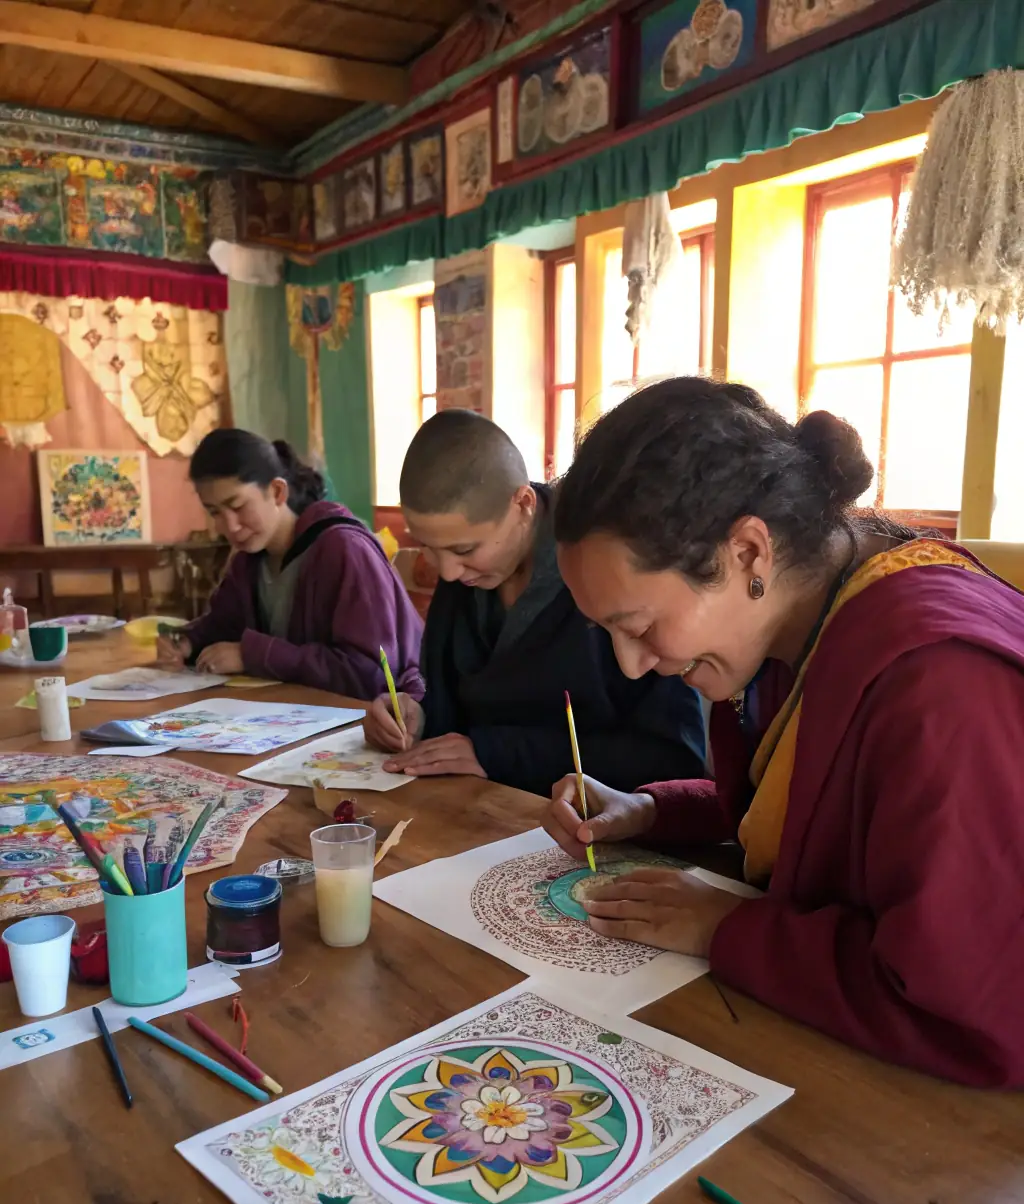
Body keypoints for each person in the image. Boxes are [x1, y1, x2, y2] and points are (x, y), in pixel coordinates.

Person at [543, 376, 1024, 1089]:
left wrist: (725, 930)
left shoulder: (938, 686)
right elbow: (817, 801)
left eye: (638, 626)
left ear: (747, 554)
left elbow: (968, 1006)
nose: (632, 664)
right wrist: (653, 808)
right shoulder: (791, 629)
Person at [362, 409, 705, 795]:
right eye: (428, 547)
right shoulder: (466, 577)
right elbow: (452, 715)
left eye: (464, 549)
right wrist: (416, 718)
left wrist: (497, 754)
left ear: (523, 503)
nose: (447, 573)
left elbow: (676, 758)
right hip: (474, 815)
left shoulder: (608, 572)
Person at [157, 429, 424, 700]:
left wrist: (252, 655)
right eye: (214, 512)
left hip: (384, 722)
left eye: (237, 506)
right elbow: (223, 625)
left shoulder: (344, 549)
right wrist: (187, 642)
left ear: (276, 491)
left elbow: (369, 674)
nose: (230, 526)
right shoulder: (248, 560)